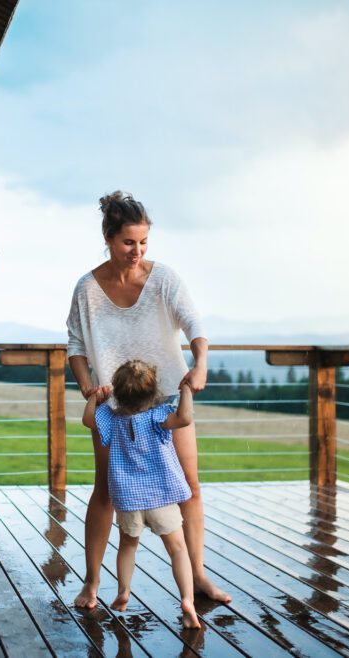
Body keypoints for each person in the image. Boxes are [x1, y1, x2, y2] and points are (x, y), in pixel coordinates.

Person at [66, 190, 231, 609]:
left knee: (189, 487)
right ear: (108, 237)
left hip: (168, 404)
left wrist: (201, 362)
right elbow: (75, 346)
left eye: (143, 243)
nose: (136, 251)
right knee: (104, 491)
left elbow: (195, 323)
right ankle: (92, 583)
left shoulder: (164, 279)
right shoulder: (87, 289)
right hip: (114, 411)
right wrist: (89, 388)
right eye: (128, 242)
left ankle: (197, 578)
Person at [82, 360, 200, 628]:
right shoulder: (158, 416)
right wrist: (186, 393)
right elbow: (185, 418)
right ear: (153, 392)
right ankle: (187, 600)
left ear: (118, 394)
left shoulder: (111, 419)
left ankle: (124, 591)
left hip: (128, 500)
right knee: (178, 549)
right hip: (161, 498)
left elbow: (88, 420)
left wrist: (94, 399)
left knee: (127, 546)